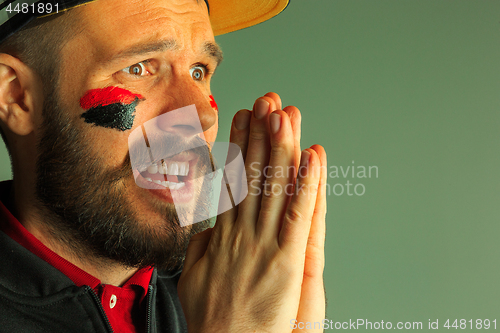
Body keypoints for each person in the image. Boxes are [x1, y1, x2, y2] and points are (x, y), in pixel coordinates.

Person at [0, 0, 327, 332]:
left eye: (198, 71)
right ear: (15, 96)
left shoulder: (237, 292)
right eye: (140, 67)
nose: (202, 114)